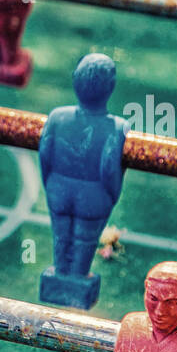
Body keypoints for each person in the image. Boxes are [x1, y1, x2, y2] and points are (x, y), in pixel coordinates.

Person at [38, 53, 127, 309]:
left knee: (61, 236)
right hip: (93, 196)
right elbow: (109, 168)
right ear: (110, 87)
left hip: (59, 189)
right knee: (85, 241)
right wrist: (111, 195)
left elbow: (45, 155)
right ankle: (77, 281)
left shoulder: (57, 116)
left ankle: (59, 276)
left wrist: (52, 185)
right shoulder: (117, 126)